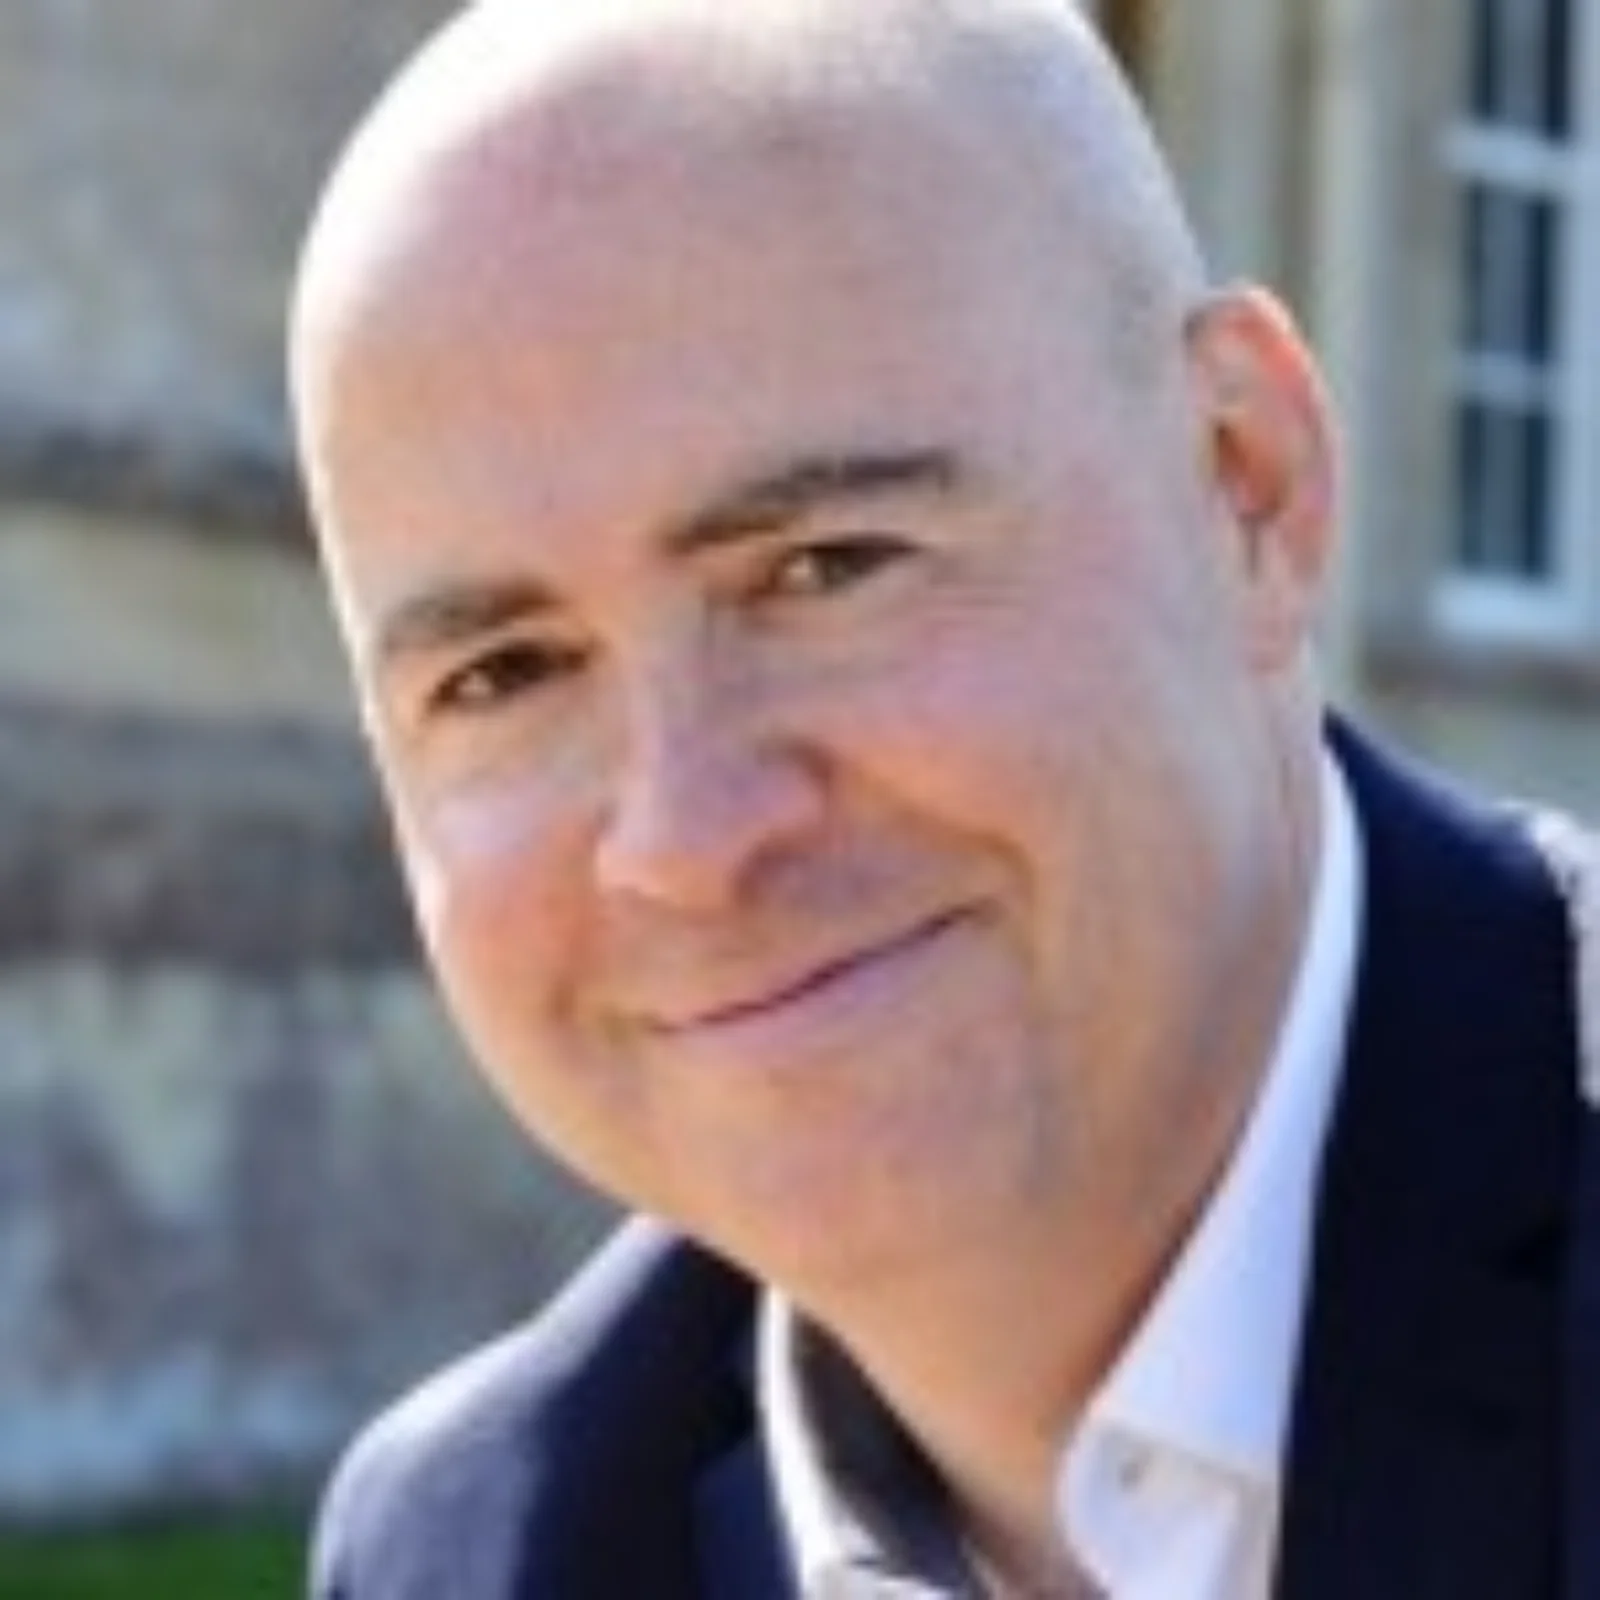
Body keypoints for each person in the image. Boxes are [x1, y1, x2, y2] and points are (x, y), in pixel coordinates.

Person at [287, 0, 1600, 1594]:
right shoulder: (476, 1549)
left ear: (1245, 485)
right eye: (504, 672)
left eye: (825, 568)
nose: (687, 837)